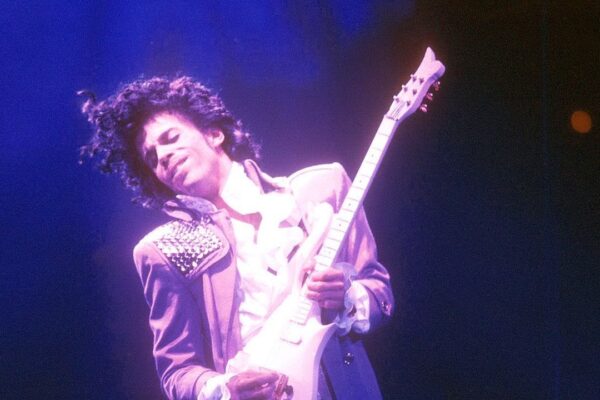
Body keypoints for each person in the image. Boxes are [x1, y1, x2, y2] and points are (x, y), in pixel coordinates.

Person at [80, 76, 394, 400]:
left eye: (171, 138)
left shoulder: (322, 188)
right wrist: (226, 389)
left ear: (214, 133)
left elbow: (379, 293)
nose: (163, 156)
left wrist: (346, 295)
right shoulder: (162, 251)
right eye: (152, 158)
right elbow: (177, 372)